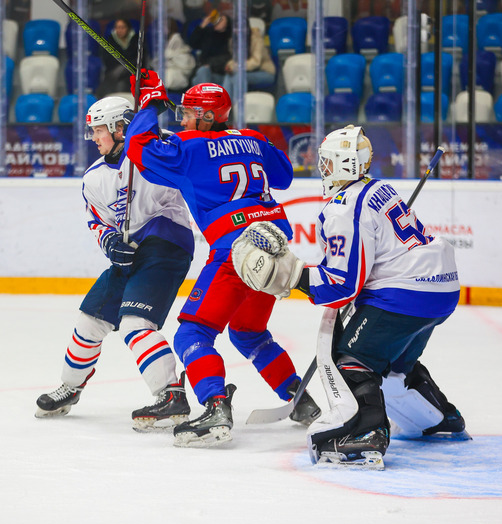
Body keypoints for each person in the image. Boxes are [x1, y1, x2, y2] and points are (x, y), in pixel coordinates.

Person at [231, 125, 467, 469]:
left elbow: (342, 285)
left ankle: (363, 434)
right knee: (395, 367)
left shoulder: (343, 207)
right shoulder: (379, 189)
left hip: (404, 293)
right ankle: (438, 419)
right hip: (440, 289)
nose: (322, 168)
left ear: (343, 163)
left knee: (352, 361)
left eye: (327, 162)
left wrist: (293, 276)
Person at [124, 71, 322, 448]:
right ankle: (300, 399)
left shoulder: (189, 146)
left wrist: (149, 103)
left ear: (207, 117)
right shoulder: (252, 138)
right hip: (275, 248)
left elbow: (139, 149)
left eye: (188, 114)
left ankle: (216, 406)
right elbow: (284, 176)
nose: (182, 120)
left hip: (236, 251)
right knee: (248, 332)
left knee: (192, 334)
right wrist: (255, 144)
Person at [35, 96, 196, 433]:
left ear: (120, 128)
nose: (94, 137)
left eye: (99, 130)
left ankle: (171, 394)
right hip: (130, 250)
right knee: (90, 319)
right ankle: (70, 387)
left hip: (166, 242)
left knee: (136, 322)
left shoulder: (154, 153)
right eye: (92, 131)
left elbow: (178, 150)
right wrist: (109, 241)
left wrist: (148, 120)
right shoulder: (93, 178)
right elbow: (97, 221)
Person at [97, 19, 140, 97]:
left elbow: (140, 59)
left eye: (122, 27)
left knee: (122, 84)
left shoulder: (137, 40)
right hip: (113, 74)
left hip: (132, 74)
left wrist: (124, 68)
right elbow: (107, 60)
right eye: (117, 27)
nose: (120, 30)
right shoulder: (109, 42)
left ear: (128, 28)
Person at [188, 10, 231, 86]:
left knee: (203, 72)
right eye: (218, 18)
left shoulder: (229, 38)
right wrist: (203, 25)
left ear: (227, 24)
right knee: (201, 73)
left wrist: (209, 64)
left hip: (219, 74)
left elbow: (227, 58)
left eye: (221, 20)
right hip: (202, 72)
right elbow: (192, 43)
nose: (218, 21)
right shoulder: (208, 33)